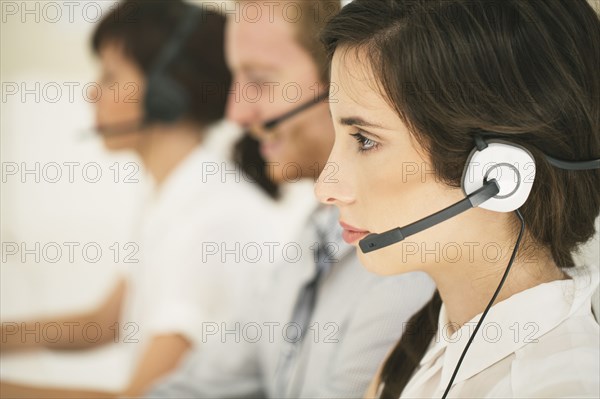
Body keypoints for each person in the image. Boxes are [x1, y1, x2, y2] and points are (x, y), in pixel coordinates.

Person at [0, 1, 311, 397]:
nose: (93, 92)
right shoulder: (176, 194)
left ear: (167, 94)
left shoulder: (211, 221)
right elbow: (106, 321)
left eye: (111, 76)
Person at [146, 1, 435, 397]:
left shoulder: (410, 264)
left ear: (340, 82)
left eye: (260, 80)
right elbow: (195, 389)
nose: (237, 113)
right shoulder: (316, 229)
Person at [316, 0, 600, 397]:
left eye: (365, 140)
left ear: (499, 174)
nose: (325, 188)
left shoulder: (559, 385)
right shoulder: (427, 343)